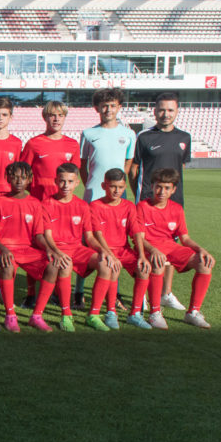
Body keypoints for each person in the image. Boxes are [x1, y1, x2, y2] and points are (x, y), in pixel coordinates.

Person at [131, 91, 192, 311]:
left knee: (171, 245)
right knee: (146, 246)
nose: (165, 114)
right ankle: (146, 292)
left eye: (170, 110)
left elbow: (180, 168)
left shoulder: (184, 138)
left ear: (177, 111)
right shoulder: (145, 138)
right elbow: (135, 169)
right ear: (154, 111)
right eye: (161, 110)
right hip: (148, 200)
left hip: (174, 201)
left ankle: (166, 292)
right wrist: (140, 194)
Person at [0, 162, 63, 333]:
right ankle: (10, 315)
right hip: (5, 248)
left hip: (27, 250)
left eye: (23, 177)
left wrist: (49, 249)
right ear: (8, 179)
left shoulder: (35, 203)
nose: (18, 181)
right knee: (7, 265)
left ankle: (37, 316)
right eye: (14, 177)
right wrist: (3, 249)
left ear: (29, 180)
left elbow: (38, 235)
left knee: (52, 265)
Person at [77, 87, 136, 308]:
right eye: (104, 105)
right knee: (87, 244)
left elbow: (127, 165)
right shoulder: (88, 133)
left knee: (116, 244)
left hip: (118, 197)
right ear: (97, 108)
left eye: (112, 105)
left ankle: (115, 294)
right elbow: (83, 166)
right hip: (93, 195)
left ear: (119, 107)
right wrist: (91, 185)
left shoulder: (129, 134)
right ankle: (79, 292)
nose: (108, 109)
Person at [40, 164, 118, 332]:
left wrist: (103, 251)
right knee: (65, 264)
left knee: (105, 264)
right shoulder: (46, 204)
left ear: (77, 183)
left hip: (77, 248)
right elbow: (47, 236)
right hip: (57, 249)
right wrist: (58, 252)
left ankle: (93, 315)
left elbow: (89, 237)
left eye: (70, 181)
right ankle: (66, 314)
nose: (65, 185)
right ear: (56, 181)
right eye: (62, 181)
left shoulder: (83, 205)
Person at [138, 168, 215, 329]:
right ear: (152, 186)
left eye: (167, 188)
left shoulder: (177, 209)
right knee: (158, 263)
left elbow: (184, 238)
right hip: (150, 248)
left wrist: (201, 250)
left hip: (171, 248)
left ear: (173, 190)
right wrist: (152, 250)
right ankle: (155, 313)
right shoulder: (142, 207)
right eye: (159, 186)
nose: (162, 191)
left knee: (204, 263)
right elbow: (139, 237)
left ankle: (193, 312)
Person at [89, 168, 153, 330]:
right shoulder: (96, 206)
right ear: (104, 185)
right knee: (113, 268)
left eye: (120, 187)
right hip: (104, 250)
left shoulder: (129, 206)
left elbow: (136, 232)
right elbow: (98, 235)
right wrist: (111, 255)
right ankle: (111, 312)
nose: (117, 190)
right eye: (112, 186)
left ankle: (135, 314)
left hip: (124, 250)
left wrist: (141, 255)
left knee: (144, 269)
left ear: (125, 187)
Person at [20, 101, 81, 201]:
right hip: (39, 199)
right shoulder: (33, 143)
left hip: (63, 200)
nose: (56, 119)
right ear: (45, 117)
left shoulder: (73, 144)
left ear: (65, 117)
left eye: (60, 115)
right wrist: (35, 189)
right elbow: (22, 173)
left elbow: (73, 175)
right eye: (52, 115)